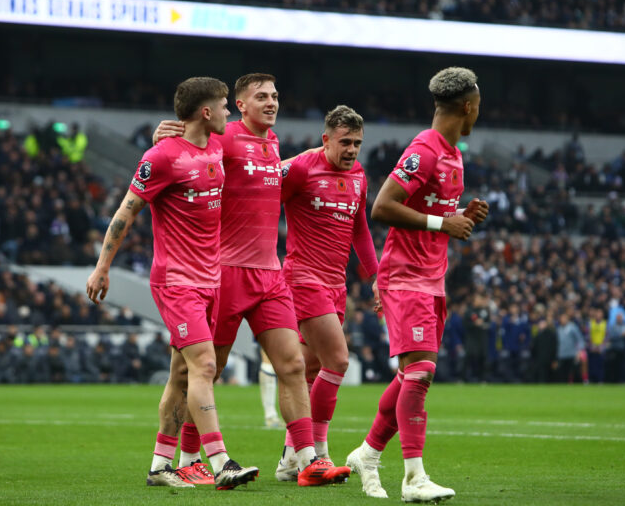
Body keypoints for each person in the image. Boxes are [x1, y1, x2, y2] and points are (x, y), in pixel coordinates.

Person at [153, 73, 350, 486]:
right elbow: (182, 154)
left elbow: (272, 174)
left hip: (270, 274)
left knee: (293, 365)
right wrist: (161, 139)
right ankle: (190, 457)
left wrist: (322, 153)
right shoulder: (225, 137)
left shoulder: (272, 143)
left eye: (275, 95)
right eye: (261, 96)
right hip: (224, 273)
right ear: (239, 105)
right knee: (207, 370)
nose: (272, 102)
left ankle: (307, 459)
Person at [86, 77, 258, 490]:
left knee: (181, 375)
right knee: (205, 365)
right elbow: (126, 212)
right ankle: (221, 462)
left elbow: (263, 151)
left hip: (210, 279)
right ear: (206, 112)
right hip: (176, 281)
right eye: (224, 106)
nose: (229, 114)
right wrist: (102, 266)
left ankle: (161, 465)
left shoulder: (216, 145)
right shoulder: (162, 157)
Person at [345, 67, 488, 502]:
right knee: (422, 373)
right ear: (468, 107)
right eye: (478, 106)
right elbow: (382, 206)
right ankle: (413, 477)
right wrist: (442, 221)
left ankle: (368, 454)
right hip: (407, 277)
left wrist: (460, 214)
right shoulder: (425, 150)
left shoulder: (453, 153)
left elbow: (433, 211)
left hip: (432, 278)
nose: (478, 113)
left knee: (412, 373)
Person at [278, 105, 378, 466]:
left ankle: (291, 458)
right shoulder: (301, 167)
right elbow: (259, 197)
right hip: (303, 278)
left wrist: (375, 276)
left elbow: (360, 229)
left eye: (357, 143)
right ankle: (317, 452)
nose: (351, 150)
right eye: (345, 142)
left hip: (336, 283)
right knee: (337, 360)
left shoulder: (359, 175)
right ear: (326, 139)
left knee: (308, 371)